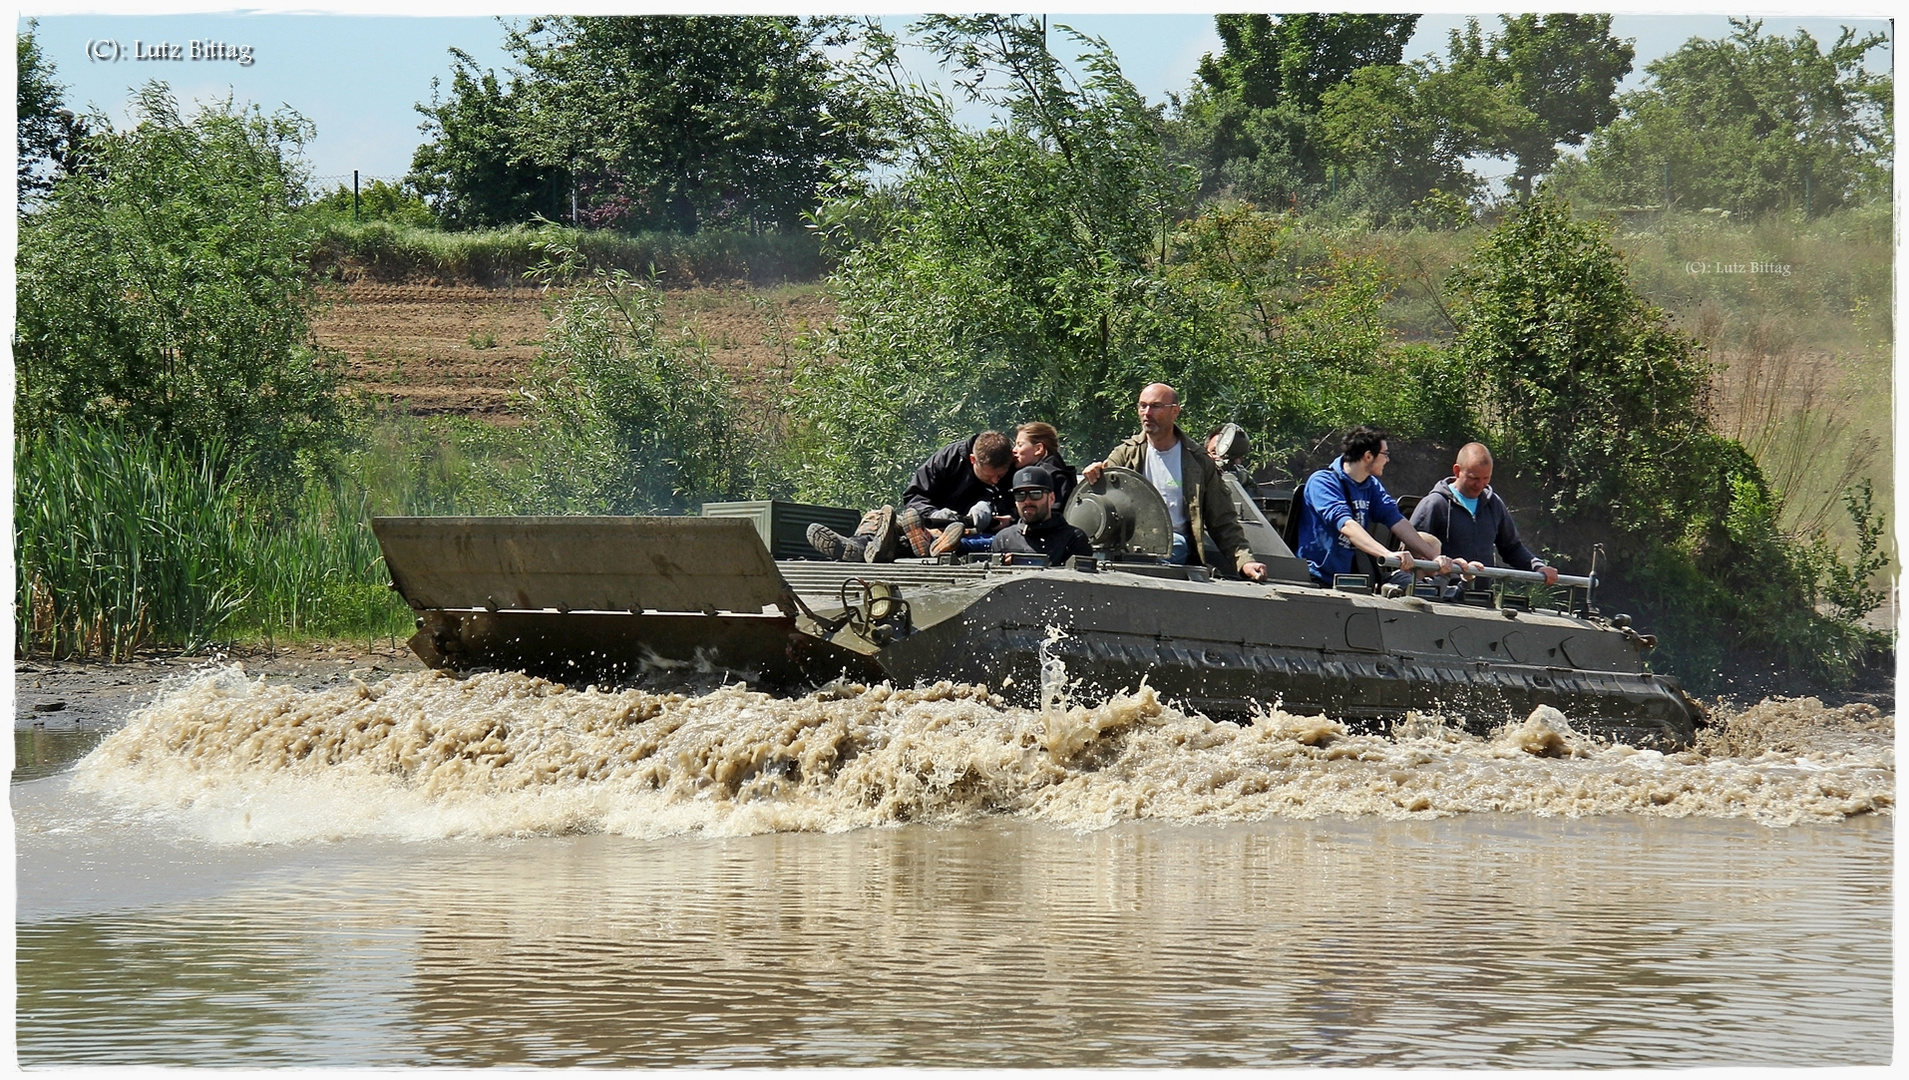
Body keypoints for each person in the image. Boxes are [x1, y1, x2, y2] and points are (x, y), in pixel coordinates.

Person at [1081, 383, 1268, 581]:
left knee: (1175, 545)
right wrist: (1095, 476)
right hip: (1127, 544)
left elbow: (1223, 520)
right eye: (1142, 406)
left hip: (1173, 545)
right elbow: (1102, 506)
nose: (1147, 413)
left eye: (1155, 406)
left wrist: (1245, 561)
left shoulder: (1198, 461)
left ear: (1175, 411)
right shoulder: (1126, 454)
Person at [806, 431, 1015, 562]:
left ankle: (874, 549)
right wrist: (934, 513)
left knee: (922, 533)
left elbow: (1023, 511)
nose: (996, 480)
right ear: (972, 459)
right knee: (880, 517)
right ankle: (857, 545)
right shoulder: (948, 459)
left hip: (964, 534)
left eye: (1000, 475)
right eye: (991, 475)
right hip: (926, 522)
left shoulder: (1014, 469)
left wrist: (998, 513)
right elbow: (915, 495)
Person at [1294, 425, 1452, 586]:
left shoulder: (1372, 486)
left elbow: (1396, 520)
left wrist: (1434, 556)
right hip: (1318, 579)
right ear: (1368, 456)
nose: (1388, 460)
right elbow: (1346, 525)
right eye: (1385, 454)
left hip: (1354, 581)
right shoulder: (1322, 482)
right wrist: (1386, 554)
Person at [1409, 442, 1558, 587]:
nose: (1480, 485)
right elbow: (1413, 551)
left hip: (1480, 597)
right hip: (1442, 595)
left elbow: (1512, 548)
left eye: (1485, 478)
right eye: (1474, 478)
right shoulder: (1435, 504)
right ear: (1457, 471)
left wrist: (1538, 566)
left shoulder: (1493, 504)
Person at [990, 466, 1093, 565]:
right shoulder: (1003, 540)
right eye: (1020, 495)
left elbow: (1076, 581)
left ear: (1051, 498)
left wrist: (1024, 562)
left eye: (1035, 494)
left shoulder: (1073, 539)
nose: (1027, 501)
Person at [1012, 421, 1078, 508]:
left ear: (1038, 449)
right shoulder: (1059, 473)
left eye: (1020, 445)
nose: (1014, 450)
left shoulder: (1051, 476)